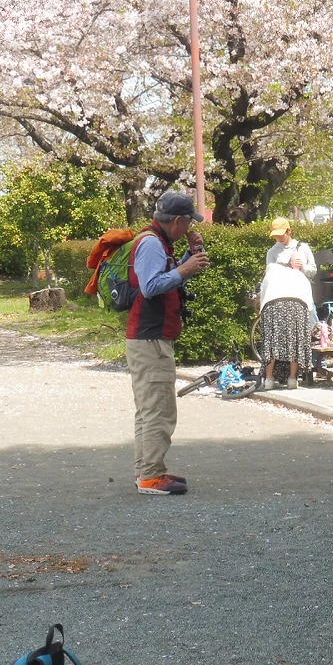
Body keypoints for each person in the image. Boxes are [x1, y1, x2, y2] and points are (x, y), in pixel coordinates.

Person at [127, 191, 209, 496]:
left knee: (149, 410)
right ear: (177, 220)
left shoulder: (157, 241)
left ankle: (147, 471)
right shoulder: (151, 243)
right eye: (188, 222)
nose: (189, 227)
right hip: (151, 339)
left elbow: (165, 279)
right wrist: (184, 269)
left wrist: (189, 258)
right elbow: (150, 287)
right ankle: (151, 476)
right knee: (159, 410)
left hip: (147, 337)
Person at [259, 217, 316, 391]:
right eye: (275, 235)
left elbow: (313, 270)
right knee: (274, 339)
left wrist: (302, 266)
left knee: (296, 337)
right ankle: (270, 378)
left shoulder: (302, 247)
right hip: (277, 294)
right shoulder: (272, 252)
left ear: (289, 231)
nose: (278, 238)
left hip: (298, 293)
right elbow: (269, 273)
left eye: (281, 235)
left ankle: (294, 377)